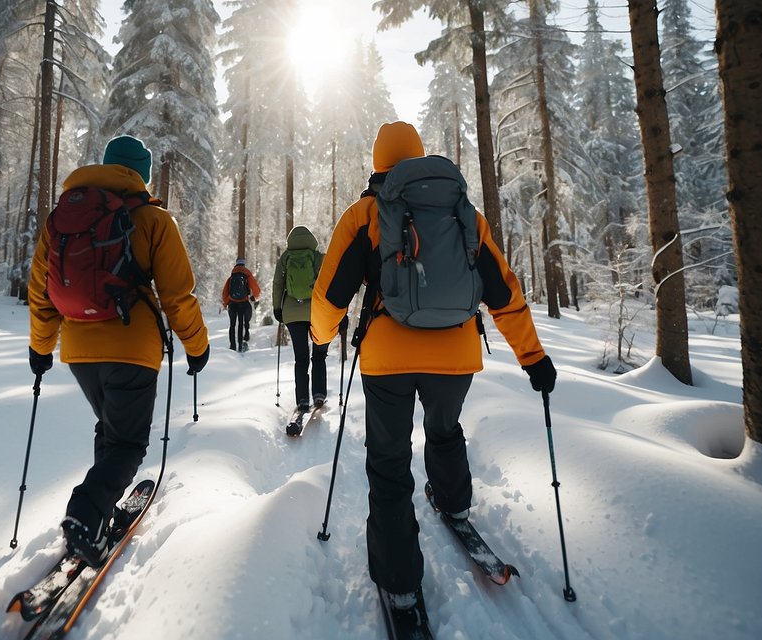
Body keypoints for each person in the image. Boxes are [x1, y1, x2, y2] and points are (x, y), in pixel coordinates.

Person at [309, 121, 556, 614]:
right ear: (420, 158)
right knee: (444, 428)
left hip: (386, 360)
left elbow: (329, 294)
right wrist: (533, 356)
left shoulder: (364, 215)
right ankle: (455, 503)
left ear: (378, 162)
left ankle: (399, 579)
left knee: (388, 460)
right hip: (454, 356)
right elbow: (503, 293)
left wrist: (319, 337)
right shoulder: (464, 213)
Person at [27, 135, 210, 566]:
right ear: (141, 176)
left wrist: (41, 347)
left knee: (110, 431)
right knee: (128, 444)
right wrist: (196, 347)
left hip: (78, 350)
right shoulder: (154, 219)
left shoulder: (64, 218)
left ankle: (99, 511)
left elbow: (41, 290)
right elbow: (177, 295)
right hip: (132, 350)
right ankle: (86, 514)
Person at [272, 225, 332, 411]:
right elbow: (332, 284)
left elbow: (277, 284)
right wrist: (338, 312)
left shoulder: (286, 258)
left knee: (301, 358)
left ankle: (302, 400)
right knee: (319, 355)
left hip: (292, 312)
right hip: (318, 313)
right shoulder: (319, 258)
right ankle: (319, 394)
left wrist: (277, 308)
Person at [221, 258, 261, 352]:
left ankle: (232, 346)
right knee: (240, 324)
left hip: (232, 303)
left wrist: (226, 303)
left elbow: (225, 292)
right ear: (244, 265)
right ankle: (240, 346)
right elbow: (256, 288)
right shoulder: (247, 274)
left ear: (236, 264)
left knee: (232, 325)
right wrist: (255, 297)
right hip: (243, 302)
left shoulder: (232, 275)